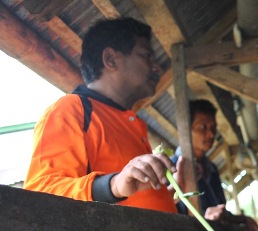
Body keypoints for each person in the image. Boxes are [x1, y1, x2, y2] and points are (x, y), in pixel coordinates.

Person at [24, 17, 177, 213]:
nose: (158, 67)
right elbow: (40, 195)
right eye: (147, 55)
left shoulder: (133, 123)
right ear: (111, 59)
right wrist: (113, 185)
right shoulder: (71, 110)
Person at [172, 99, 258, 231]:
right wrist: (203, 218)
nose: (211, 134)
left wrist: (243, 219)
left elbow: (220, 210)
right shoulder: (172, 168)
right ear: (185, 129)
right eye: (202, 127)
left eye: (213, 128)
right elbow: (172, 219)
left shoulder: (211, 169)